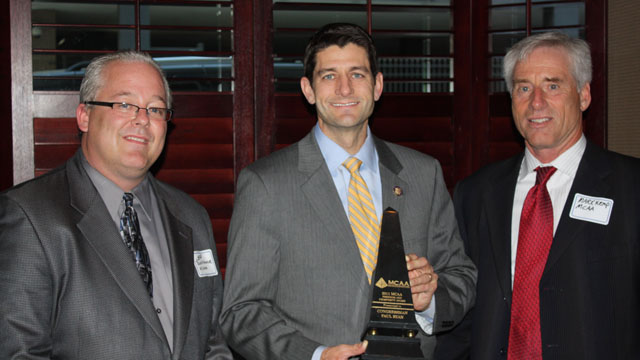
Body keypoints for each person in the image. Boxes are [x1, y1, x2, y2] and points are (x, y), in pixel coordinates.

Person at [220, 23, 476, 360]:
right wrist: (314, 355)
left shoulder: (423, 173)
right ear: (308, 90)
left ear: (377, 85)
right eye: (329, 76)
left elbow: (461, 277)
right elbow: (241, 312)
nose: (344, 89)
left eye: (357, 74)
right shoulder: (266, 184)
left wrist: (431, 299)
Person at [0, 51, 232, 359]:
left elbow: (212, 343)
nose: (143, 119)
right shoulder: (30, 216)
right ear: (84, 115)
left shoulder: (191, 216)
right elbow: (19, 352)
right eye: (124, 104)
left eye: (156, 109)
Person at [435, 32, 640, 360]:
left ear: (584, 95)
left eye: (553, 85)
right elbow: (461, 315)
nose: (536, 102)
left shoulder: (631, 188)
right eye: (523, 87)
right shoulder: (475, 193)